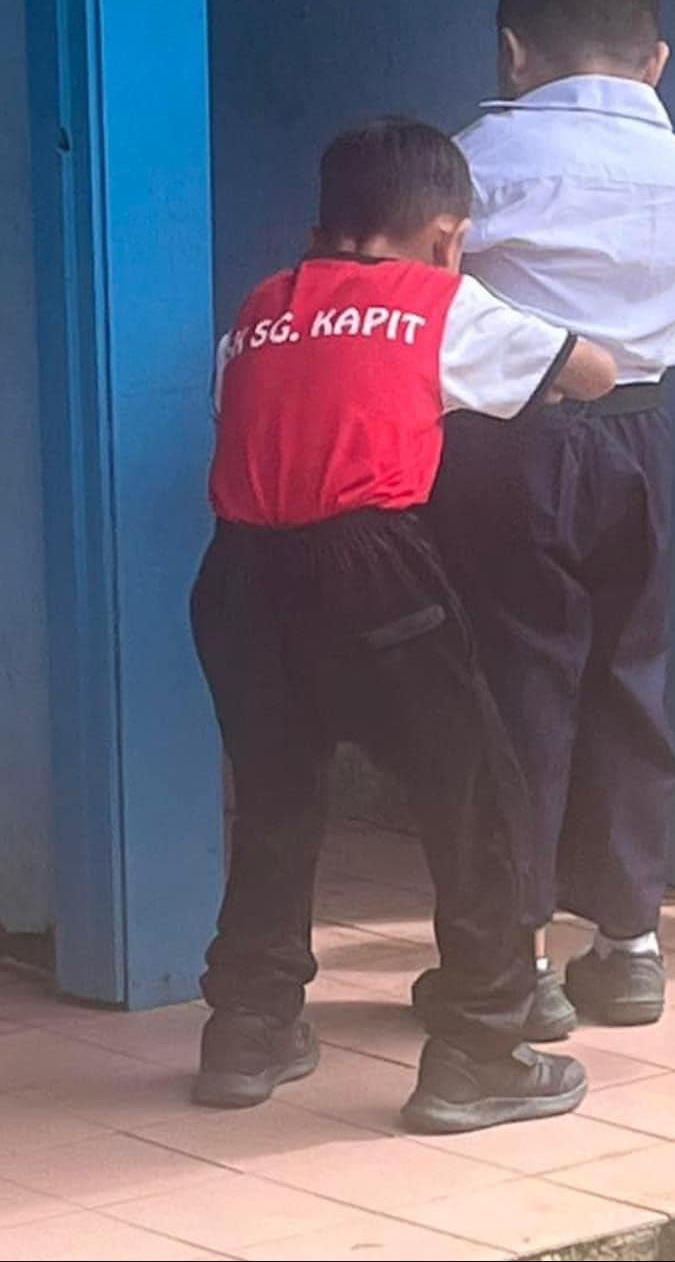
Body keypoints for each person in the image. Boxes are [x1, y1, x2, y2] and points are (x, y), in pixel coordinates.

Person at [190, 117, 618, 1133]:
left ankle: (249, 1029)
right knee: (477, 799)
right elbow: (590, 369)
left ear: (323, 225)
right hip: (370, 568)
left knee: (277, 798)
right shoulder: (437, 300)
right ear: (441, 235)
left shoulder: (259, 309)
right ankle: (480, 1047)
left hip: (239, 576)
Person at [418, 0, 675, 1040]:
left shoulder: (482, 159)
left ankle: (512, 954)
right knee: (629, 673)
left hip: (509, 443)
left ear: (514, 50)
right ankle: (630, 944)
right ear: (655, 59)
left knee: (514, 685)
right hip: (644, 441)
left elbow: (431, 299)